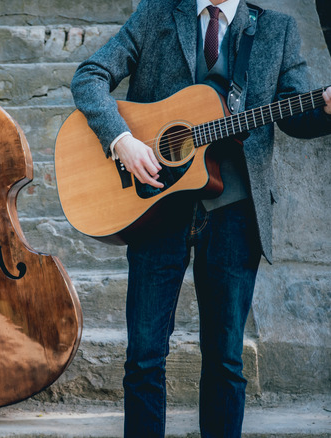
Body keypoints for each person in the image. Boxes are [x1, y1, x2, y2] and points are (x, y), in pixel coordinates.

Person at [70, 0, 331, 436]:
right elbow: (89, 76)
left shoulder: (276, 30)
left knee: (226, 360)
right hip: (155, 208)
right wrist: (121, 139)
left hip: (234, 213)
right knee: (144, 357)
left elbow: (294, 115)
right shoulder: (157, 13)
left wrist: (323, 107)